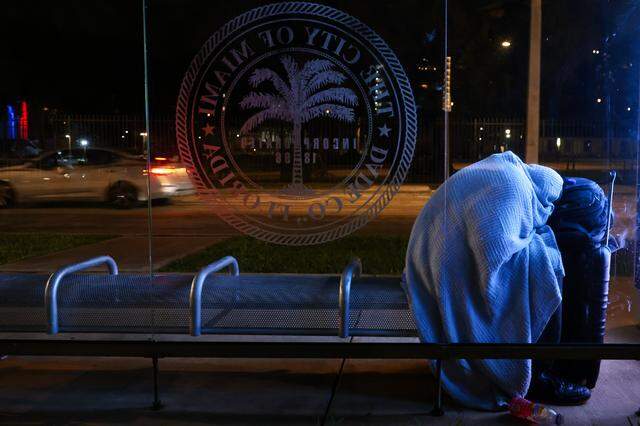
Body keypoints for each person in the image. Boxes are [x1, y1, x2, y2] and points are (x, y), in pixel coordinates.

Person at [403, 151, 587, 410]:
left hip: (435, 251)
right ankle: (537, 378)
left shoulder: (507, 170)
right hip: (442, 266)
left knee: (540, 258)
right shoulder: (516, 189)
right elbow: (493, 253)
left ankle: (542, 369)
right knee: (546, 268)